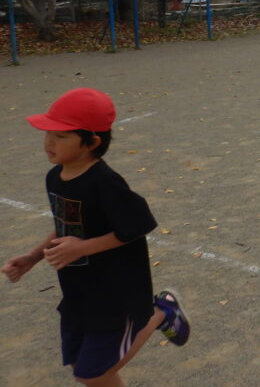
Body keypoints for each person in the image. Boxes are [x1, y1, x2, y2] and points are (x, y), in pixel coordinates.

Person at [2, 88, 191, 387]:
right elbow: (66, 224)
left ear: (91, 143)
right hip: (79, 292)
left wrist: (83, 248)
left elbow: (139, 224)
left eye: (61, 136)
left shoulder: (105, 182)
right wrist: (32, 257)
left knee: (92, 373)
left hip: (116, 294)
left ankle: (161, 312)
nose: (48, 142)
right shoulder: (55, 177)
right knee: (80, 363)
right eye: (47, 133)